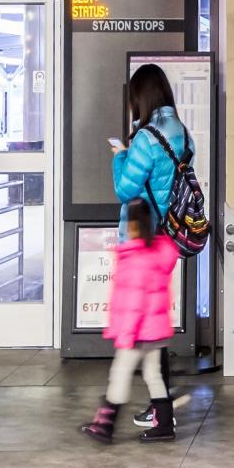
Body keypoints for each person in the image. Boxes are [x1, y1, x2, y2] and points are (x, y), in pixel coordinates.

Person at [109, 64, 192, 431]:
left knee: (138, 325)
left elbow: (126, 189)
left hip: (142, 236)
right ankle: (160, 403)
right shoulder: (182, 133)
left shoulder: (146, 138)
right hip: (168, 240)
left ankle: (157, 406)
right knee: (153, 321)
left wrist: (119, 155)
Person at [80, 199, 180, 444]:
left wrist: (126, 335)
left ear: (134, 225)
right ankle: (164, 425)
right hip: (155, 331)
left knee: (120, 373)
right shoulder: (157, 253)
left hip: (137, 332)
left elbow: (134, 303)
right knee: (154, 375)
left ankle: (105, 425)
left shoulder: (135, 259)